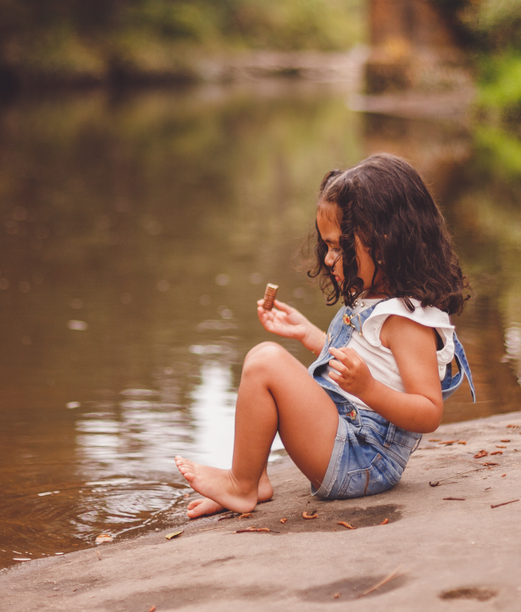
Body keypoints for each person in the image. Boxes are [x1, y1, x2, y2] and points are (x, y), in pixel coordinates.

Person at [175, 153, 474, 518]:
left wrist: (368, 390)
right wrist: (310, 335)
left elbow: (429, 411)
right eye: (328, 246)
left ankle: (241, 484)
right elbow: (372, 363)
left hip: (363, 461)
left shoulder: (407, 320)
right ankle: (253, 478)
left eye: (338, 247)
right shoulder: (376, 300)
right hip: (349, 444)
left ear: (383, 241)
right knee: (264, 361)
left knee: (266, 362)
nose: (330, 259)